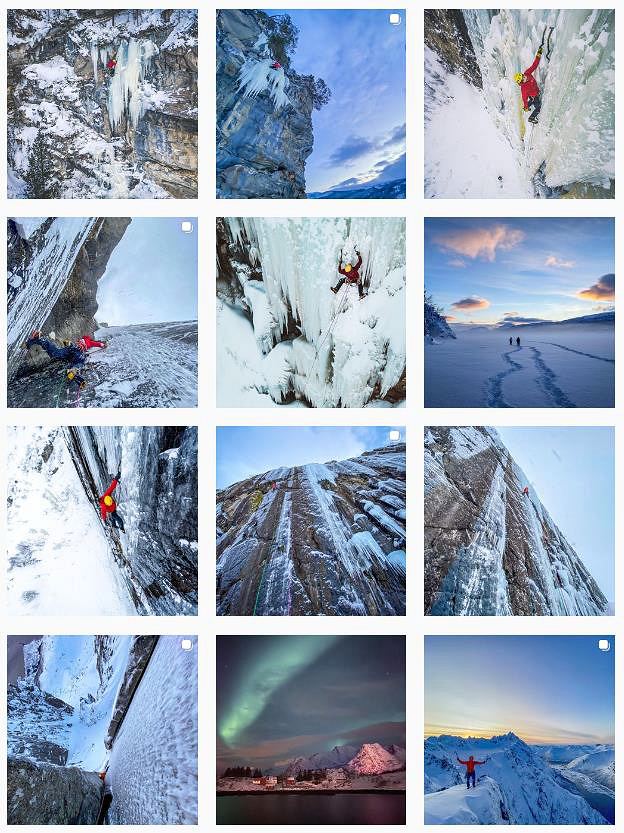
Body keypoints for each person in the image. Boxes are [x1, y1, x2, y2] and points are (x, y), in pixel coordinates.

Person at [514, 48, 543, 123]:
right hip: (534, 96)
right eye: (522, 79)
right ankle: (531, 118)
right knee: (539, 108)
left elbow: (534, 66)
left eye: (522, 76)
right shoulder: (524, 88)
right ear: (520, 81)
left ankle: (527, 106)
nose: (524, 78)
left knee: (532, 101)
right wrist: (526, 107)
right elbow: (524, 98)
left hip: (535, 92)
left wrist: (538, 55)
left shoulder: (527, 73)